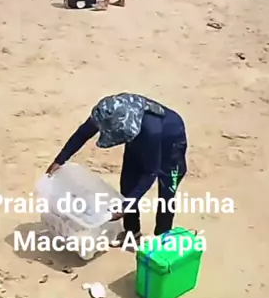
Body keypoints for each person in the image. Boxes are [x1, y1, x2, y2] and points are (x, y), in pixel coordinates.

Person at [46, 92, 187, 244]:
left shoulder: (151, 131)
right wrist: (60, 160)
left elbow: (150, 173)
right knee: (127, 183)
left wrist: (126, 206)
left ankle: (162, 239)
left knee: (166, 193)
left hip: (170, 143)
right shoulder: (106, 112)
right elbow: (82, 134)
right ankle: (132, 233)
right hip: (138, 140)